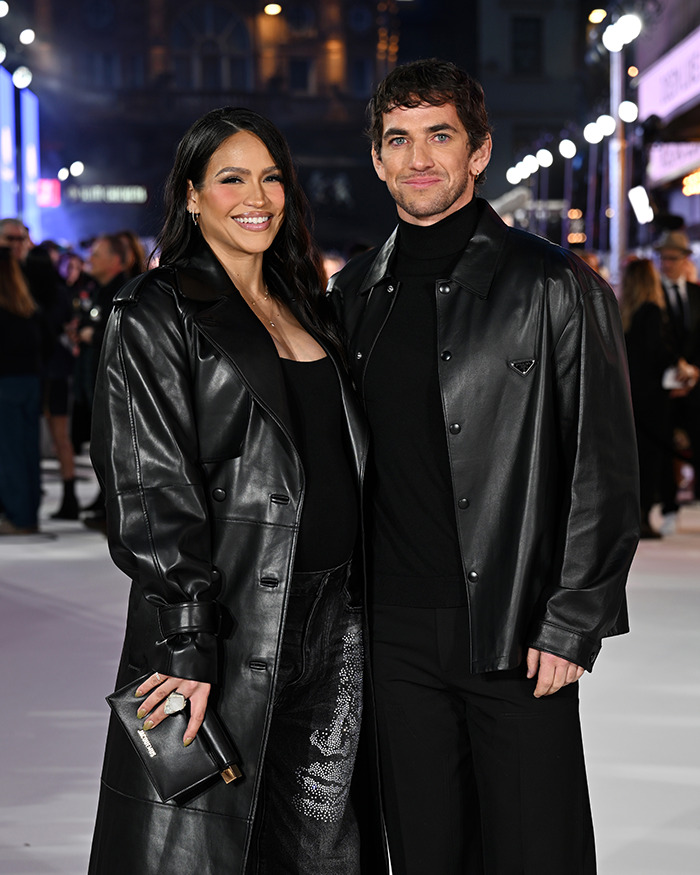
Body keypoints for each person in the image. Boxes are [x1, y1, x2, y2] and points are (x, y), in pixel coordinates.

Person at [328, 58, 640, 875]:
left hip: (513, 625)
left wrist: (574, 619)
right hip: (392, 635)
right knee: (427, 852)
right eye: (398, 138)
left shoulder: (556, 285)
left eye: (440, 135)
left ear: (479, 153)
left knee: (538, 849)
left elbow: (603, 468)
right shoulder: (354, 293)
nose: (418, 156)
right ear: (376, 157)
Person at [88, 107, 369, 875]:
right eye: (232, 178)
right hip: (226, 619)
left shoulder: (308, 304)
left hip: (336, 620)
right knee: (207, 845)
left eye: (272, 177)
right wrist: (187, 636)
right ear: (191, 195)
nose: (257, 196)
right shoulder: (156, 310)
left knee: (319, 842)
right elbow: (148, 490)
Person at [620, 258, 698, 538]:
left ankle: (635, 518)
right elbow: (657, 352)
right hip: (653, 397)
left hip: (631, 394)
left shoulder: (623, 312)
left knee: (636, 459)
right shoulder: (652, 311)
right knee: (652, 460)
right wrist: (681, 367)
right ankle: (642, 518)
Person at [0, 247, 52, 535]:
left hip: (6, 383)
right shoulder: (27, 305)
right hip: (31, 382)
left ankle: (19, 517)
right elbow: (47, 345)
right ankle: (27, 514)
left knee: (10, 454)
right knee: (28, 451)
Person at [654, 229, 700, 526]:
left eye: (672, 258)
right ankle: (668, 505)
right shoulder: (653, 294)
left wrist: (694, 371)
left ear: (685, 260)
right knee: (663, 447)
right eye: (663, 258)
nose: (666, 264)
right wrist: (674, 370)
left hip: (695, 384)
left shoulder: (697, 294)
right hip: (664, 386)